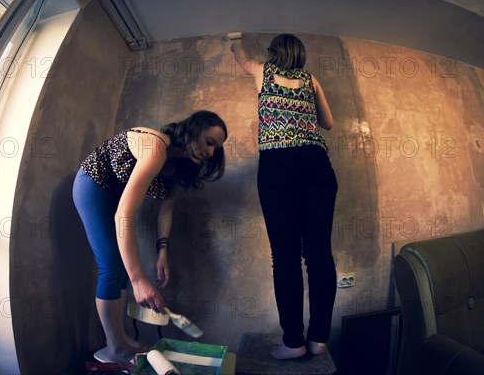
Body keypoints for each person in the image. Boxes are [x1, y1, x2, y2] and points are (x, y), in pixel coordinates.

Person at [72, 110, 228, 363]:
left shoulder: (180, 167)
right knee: (112, 266)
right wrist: (139, 280)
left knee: (120, 268)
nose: (211, 152)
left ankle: (119, 337)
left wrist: (162, 252)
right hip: (93, 185)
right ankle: (115, 347)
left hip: (115, 197)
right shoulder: (156, 147)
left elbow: (166, 209)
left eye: (216, 148)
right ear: (194, 129)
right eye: (209, 142)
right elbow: (124, 215)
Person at [231, 34, 338, 359]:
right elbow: (328, 123)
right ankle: (319, 340)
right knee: (319, 254)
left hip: (277, 166)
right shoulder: (311, 79)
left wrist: (233, 40)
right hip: (316, 164)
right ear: (300, 55)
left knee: (286, 256)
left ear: (274, 52)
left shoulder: (260, 71)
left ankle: (293, 342)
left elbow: (241, 56)